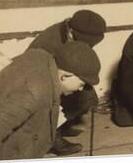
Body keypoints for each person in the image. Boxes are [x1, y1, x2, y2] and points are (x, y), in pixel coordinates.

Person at [0, 41, 101, 161]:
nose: (81, 89)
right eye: (81, 84)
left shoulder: (42, 57)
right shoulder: (35, 92)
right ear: (65, 76)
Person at [28, 9, 106, 155]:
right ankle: (50, 138)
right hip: (39, 84)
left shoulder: (76, 35)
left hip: (59, 78)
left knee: (89, 97)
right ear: (71, 32)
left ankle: (62, 124)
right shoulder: (48, 44)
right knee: (51, 100)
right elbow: (43, 85)